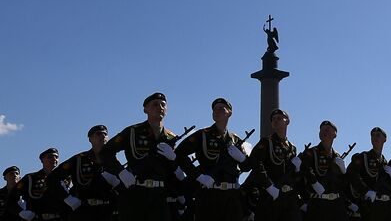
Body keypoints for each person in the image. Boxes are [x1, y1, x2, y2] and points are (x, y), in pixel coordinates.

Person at [100, 92, 180, 221]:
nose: (160, 107)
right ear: (145, 110)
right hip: (135, 193)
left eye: (163, 105)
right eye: (155, 104)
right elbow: (105, 153)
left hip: (160, 196)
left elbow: (173, 170)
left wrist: (174, 160)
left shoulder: (170, 137)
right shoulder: (132, 132)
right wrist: (120, 172)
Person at [175, 97, 249, 221]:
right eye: (214, 109)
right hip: (208, 195)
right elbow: (179, 154)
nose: (217, 111)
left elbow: (247, 167)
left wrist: (242, 159)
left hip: (231, 197)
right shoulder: (202, 135)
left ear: (229, 113)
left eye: (221, 108)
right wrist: (198, 176)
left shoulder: (235, 139)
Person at [47, 125, 118, 221]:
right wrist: (68, 198)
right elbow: (52, 178)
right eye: (98, 134)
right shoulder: (78, 160)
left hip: (110, 211)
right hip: (86, 211)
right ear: (90, 139)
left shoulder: (113, 160)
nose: (102, 136)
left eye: (105, 134)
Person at [244, 108, 301, 221]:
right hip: (270, 196)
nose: (276, 120)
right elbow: (256, 164)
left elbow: (291, 175)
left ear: (287, 121)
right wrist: (268, 186)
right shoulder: (265, 142)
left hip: (288, 198)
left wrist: (298, 169)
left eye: (279, 118)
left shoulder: (292, 148)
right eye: (273, 119)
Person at [346, 127, 391, 221]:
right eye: (373, 136)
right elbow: (352, 174)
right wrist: (365, 191)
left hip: (382, 207)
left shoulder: (385, 162)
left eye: (378, 135)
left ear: (385, 140)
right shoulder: (363, 157)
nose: (375, 138)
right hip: (366, 206)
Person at [300, 120, 349, 221]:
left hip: (336, 204)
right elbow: (304, 169)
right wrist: (314, 182)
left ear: (334, 134)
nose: (323, 132)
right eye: (321, 130)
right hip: (318, 203)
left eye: (327, 130)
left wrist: (344, 172)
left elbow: (343, 183)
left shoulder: (337, 156)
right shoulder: (311, 153)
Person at [8, 148, 64, 221]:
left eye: (56, 157)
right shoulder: (30, 179)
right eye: (50, 157)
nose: (54, 159)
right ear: (42, 160)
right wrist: (21, 212)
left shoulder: (65, 178)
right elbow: (11, 198)